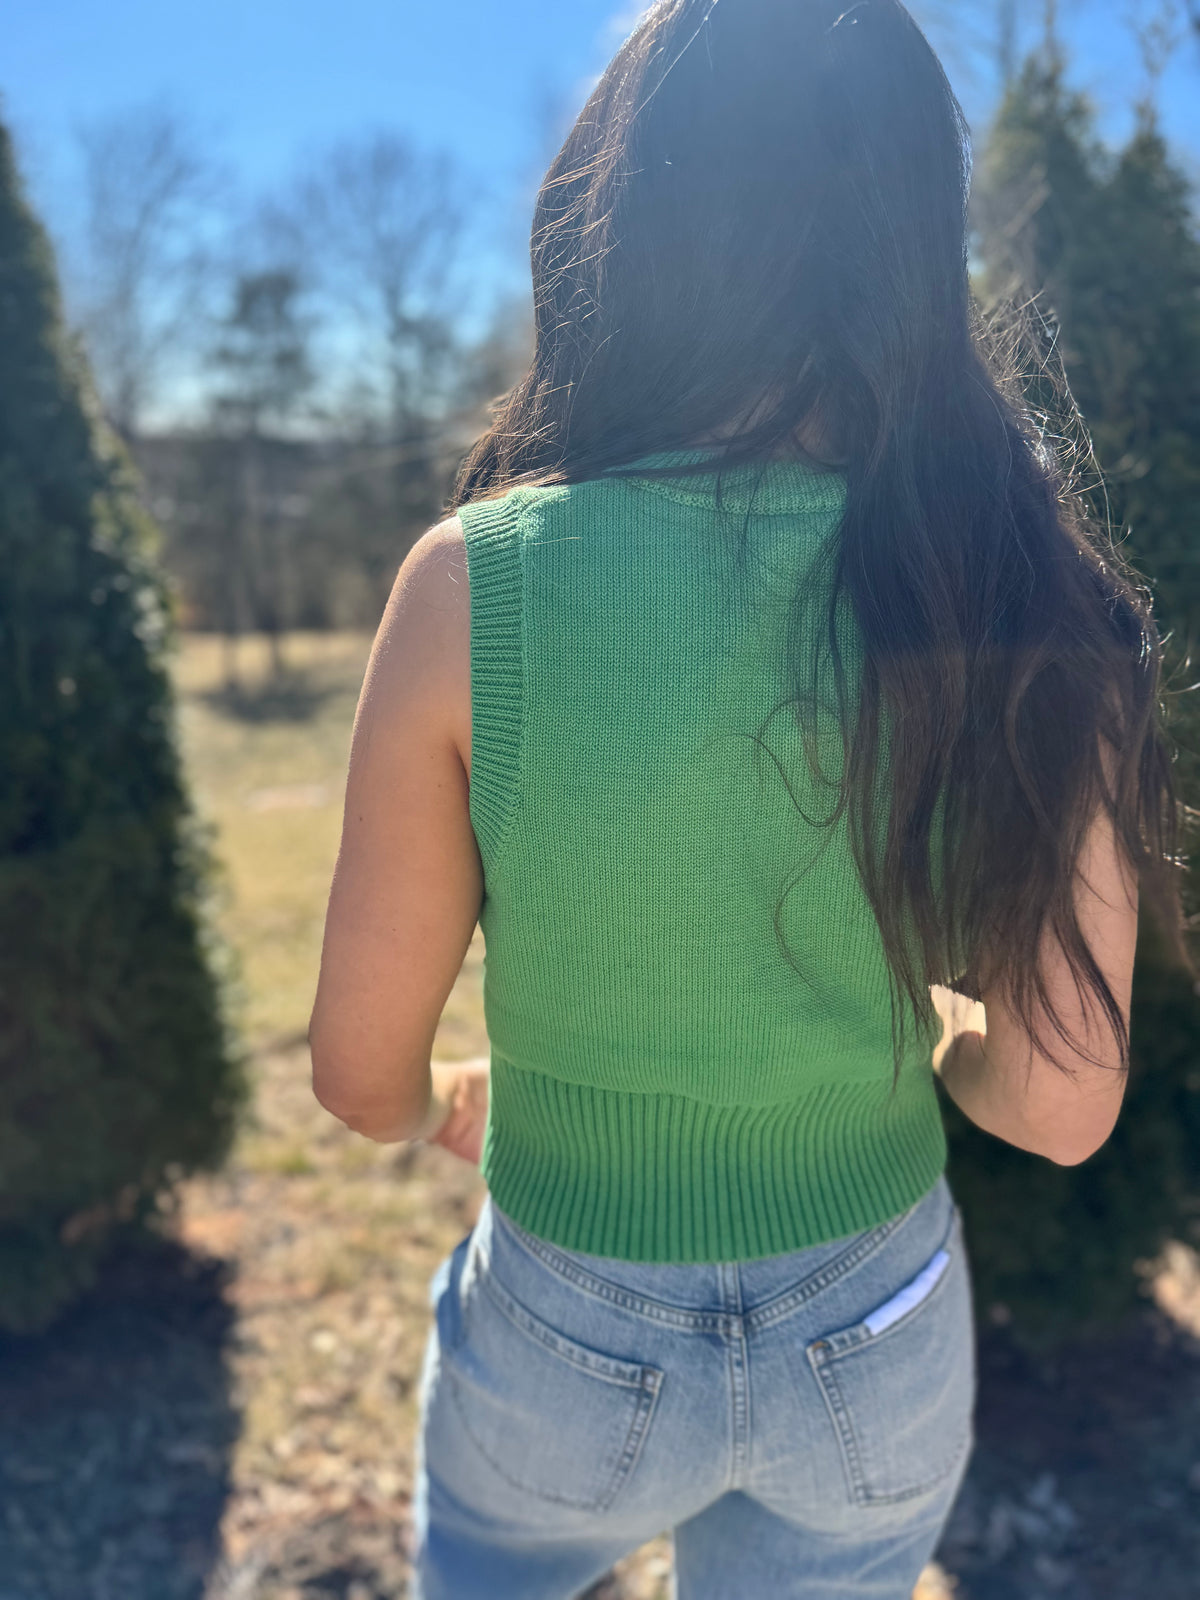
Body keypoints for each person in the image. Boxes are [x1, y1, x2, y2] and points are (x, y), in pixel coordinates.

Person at [307, 2, 1186, 1596]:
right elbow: (1061, 1109)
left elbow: (359, 1070)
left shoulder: (470, 586)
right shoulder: (1005, 579)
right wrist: (919, 1031)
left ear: (617, 224)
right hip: (878, 1338)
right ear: (919, 236)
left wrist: (446, 1102)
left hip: (562, 1336)